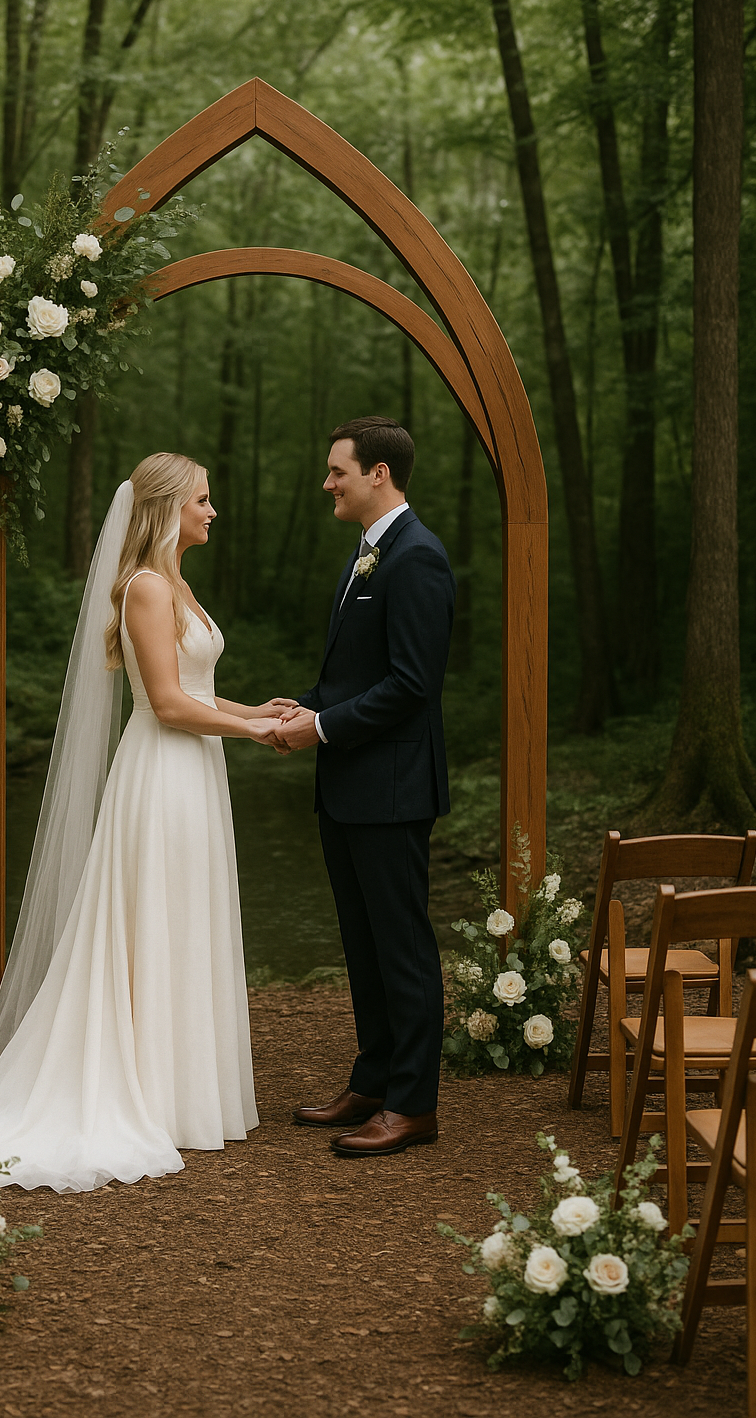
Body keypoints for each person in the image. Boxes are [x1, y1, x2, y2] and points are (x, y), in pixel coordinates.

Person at [0, 453, 291, 1191]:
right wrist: (256, 737)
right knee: (154, 918)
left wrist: (259, 709)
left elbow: (199, 689)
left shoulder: (176, 582)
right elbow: (168, 703)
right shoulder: (149, 589)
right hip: (163, 772)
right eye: (203, 500)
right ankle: (153, 1092)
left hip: (195, 770)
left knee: (186, 918)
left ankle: (187, 1092)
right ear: (166, 508)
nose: (213, 511)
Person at [273, 417, 456, 1158]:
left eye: (337, 471)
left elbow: (412, 684)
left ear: (378, 473)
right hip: (350, 785)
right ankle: (374, 1081)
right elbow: (358, 672)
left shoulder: (418, 558)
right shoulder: (368, 554)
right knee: (364, 945)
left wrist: (321, 729)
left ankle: (413, 1106)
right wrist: (308, 704)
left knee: (402, 948)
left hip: (391, 790)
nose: (328, 484)